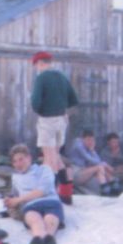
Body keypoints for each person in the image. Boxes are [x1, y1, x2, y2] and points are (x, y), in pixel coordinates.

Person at [30, 51, 79, 204]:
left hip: (47, 120)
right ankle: (66, 194)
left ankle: (49, 195)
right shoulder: (62, 76)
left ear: (39, 63)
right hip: (62, 119)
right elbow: (73, 99)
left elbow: (35, 102)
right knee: (56, 155)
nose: (36, 68)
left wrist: (41, 110)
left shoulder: (41, 78)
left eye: (36, 65)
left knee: (49, 158)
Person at [5, 144, 63, 244]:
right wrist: (9, 200)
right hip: (31, 206)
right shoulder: (15, 177)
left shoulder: (44, 169)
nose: (18, 163)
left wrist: (19, 199)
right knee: (34, 220)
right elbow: (14, 194)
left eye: (21, 159)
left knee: (49, 220)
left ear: (29, 158)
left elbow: (42, 191)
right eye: (15, 161)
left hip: (50, 201)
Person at [67, 129, 118, 195]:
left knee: (100, 170)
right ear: (82, 139)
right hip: (76, 174)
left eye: (92, 140)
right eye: (88, 140)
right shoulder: (78, 145)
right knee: (100, 167)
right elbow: (90, 159)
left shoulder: (88, 147)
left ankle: (108, 192)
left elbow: (98, 161)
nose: (90, 142)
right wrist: (105, 164)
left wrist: (92, 150)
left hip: (84, 172)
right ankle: (112, 185)